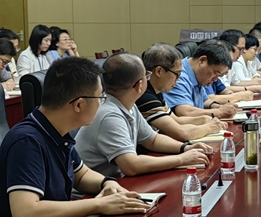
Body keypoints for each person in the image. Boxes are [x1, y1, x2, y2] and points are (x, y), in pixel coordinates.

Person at [0, 58, 149, 217]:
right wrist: (99, 205)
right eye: (100, 97)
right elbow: (26, 213)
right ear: (78, 104)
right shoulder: (27, 142)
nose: (102, 103)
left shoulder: (56, 131)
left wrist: (107, 183)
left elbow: (82, 174)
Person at [75, 52, 213, 177]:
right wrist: (182, 159)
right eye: (146, 76)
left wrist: (186, 148)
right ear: (139, 85)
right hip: (94, 191)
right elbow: (131, 166)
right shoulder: (109, 115)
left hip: (114, 184)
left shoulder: (127, 104)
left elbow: (152, 140)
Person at [136, 43, 228, 142]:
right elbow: (181, 133)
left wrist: (204, 119)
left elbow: (176, 120)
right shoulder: (145, 96)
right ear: (159, 71)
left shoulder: (156, 92)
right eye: (177, 74)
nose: (178, 79)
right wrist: (209, 128)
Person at [163, 40, 238, 118]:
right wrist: (220, 112)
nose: (215, 79)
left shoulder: (197, 74)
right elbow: (185, 112)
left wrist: (220, 107)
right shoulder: (178, 76)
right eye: (215, 73)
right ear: (202, 61)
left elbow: (205, 101)